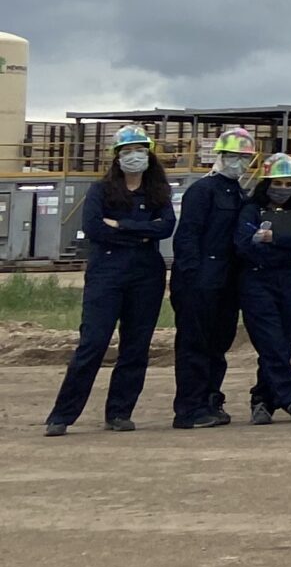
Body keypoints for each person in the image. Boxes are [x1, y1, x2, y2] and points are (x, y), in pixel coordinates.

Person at [44, 128, 175, 436]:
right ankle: (62, 415)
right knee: (93, 343)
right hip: (107, 272)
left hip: (146, 274)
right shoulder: (100, 190)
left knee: (136, 346)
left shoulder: (157, 191)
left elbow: (166, 227)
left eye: (140, 149)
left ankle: (119, 412)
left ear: (149, 153)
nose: (134, 156)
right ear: (117, 156)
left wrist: (121, 225)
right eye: (127, 150)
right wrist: (141, 230)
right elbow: (93, 228)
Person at [170, 126, 257, 430]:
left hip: (227, 283)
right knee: (194, 345)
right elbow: (187, 238)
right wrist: (192, 278)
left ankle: (210, 400)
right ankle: (188, 409)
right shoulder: (201, 191)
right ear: (220, 155)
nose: (238, 162)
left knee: (219, 345)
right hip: (198, 282)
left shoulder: (241, 195)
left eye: (244, 157)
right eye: (233, 156)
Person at [232, 153, 291, 425]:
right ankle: (289, 398)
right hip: (257, 284)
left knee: (282, 345)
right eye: (277, 183)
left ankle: (261, 400)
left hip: (289, 285)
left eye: (288, 184)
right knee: (270, 343)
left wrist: (274, 238)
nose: (283, 189)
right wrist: (287, 254)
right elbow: (245, 247)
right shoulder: (250, 211)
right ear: (266, 183)